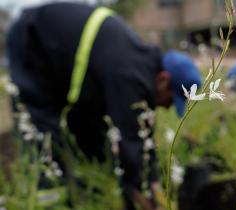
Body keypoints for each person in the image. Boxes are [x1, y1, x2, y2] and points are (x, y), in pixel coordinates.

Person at [5, 2, 202, 210]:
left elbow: (140, 138)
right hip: (33, 42)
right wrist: (140, 195)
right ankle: (52, 203)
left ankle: (89, 193)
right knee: (44, 140)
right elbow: (131, 141)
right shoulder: (131, 74)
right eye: (171, 99)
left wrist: (151, 181)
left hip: (64, 63)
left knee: (93, 138)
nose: (166, 107)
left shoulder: (138, 66)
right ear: (163, 79)